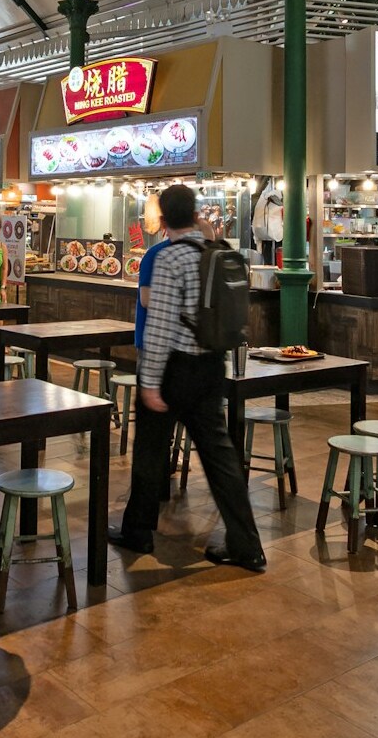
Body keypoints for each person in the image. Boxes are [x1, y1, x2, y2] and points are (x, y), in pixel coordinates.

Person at [108, 184, 265, 571]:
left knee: (149, 452)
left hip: (174, 370)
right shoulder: (216, 254)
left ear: (162, 220)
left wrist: (149, 381)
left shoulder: (170, 258)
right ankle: (246, 546)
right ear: (196, 216)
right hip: (213, 366)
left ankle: (138, 531)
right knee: (220, 459)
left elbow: (159, 325)